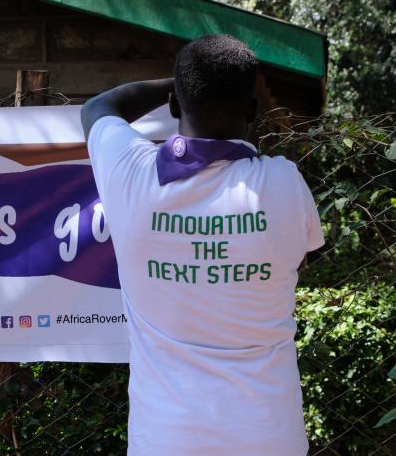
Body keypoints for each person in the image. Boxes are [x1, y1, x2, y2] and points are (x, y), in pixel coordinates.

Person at [81, 34, 324, 456]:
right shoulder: (284, 183)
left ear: (176, 105)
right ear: (252, 110)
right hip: (269, 435)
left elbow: (98, 108)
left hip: (166, 439)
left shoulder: (132, 174)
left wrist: (178, 84)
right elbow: (305, 255)